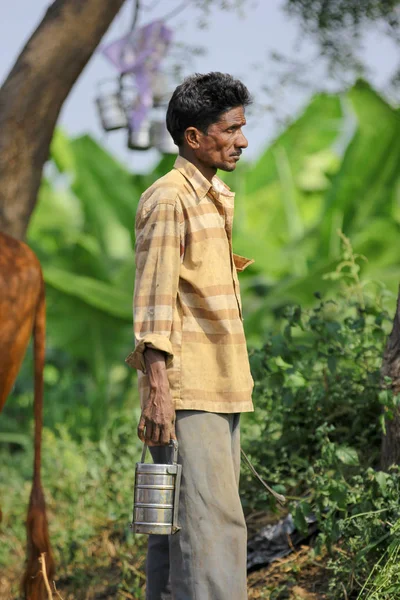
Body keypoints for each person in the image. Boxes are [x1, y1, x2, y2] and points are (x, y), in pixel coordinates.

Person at [126, 72, 254, 600]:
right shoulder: (169, 198)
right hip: (187, 389)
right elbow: (153, 301)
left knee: (174, 528)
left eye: (243, 128)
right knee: (211, 529)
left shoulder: (214, 196)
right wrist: (159, 392)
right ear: (194, 137)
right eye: (230, 130)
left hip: (221, 383)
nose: (242, 140)